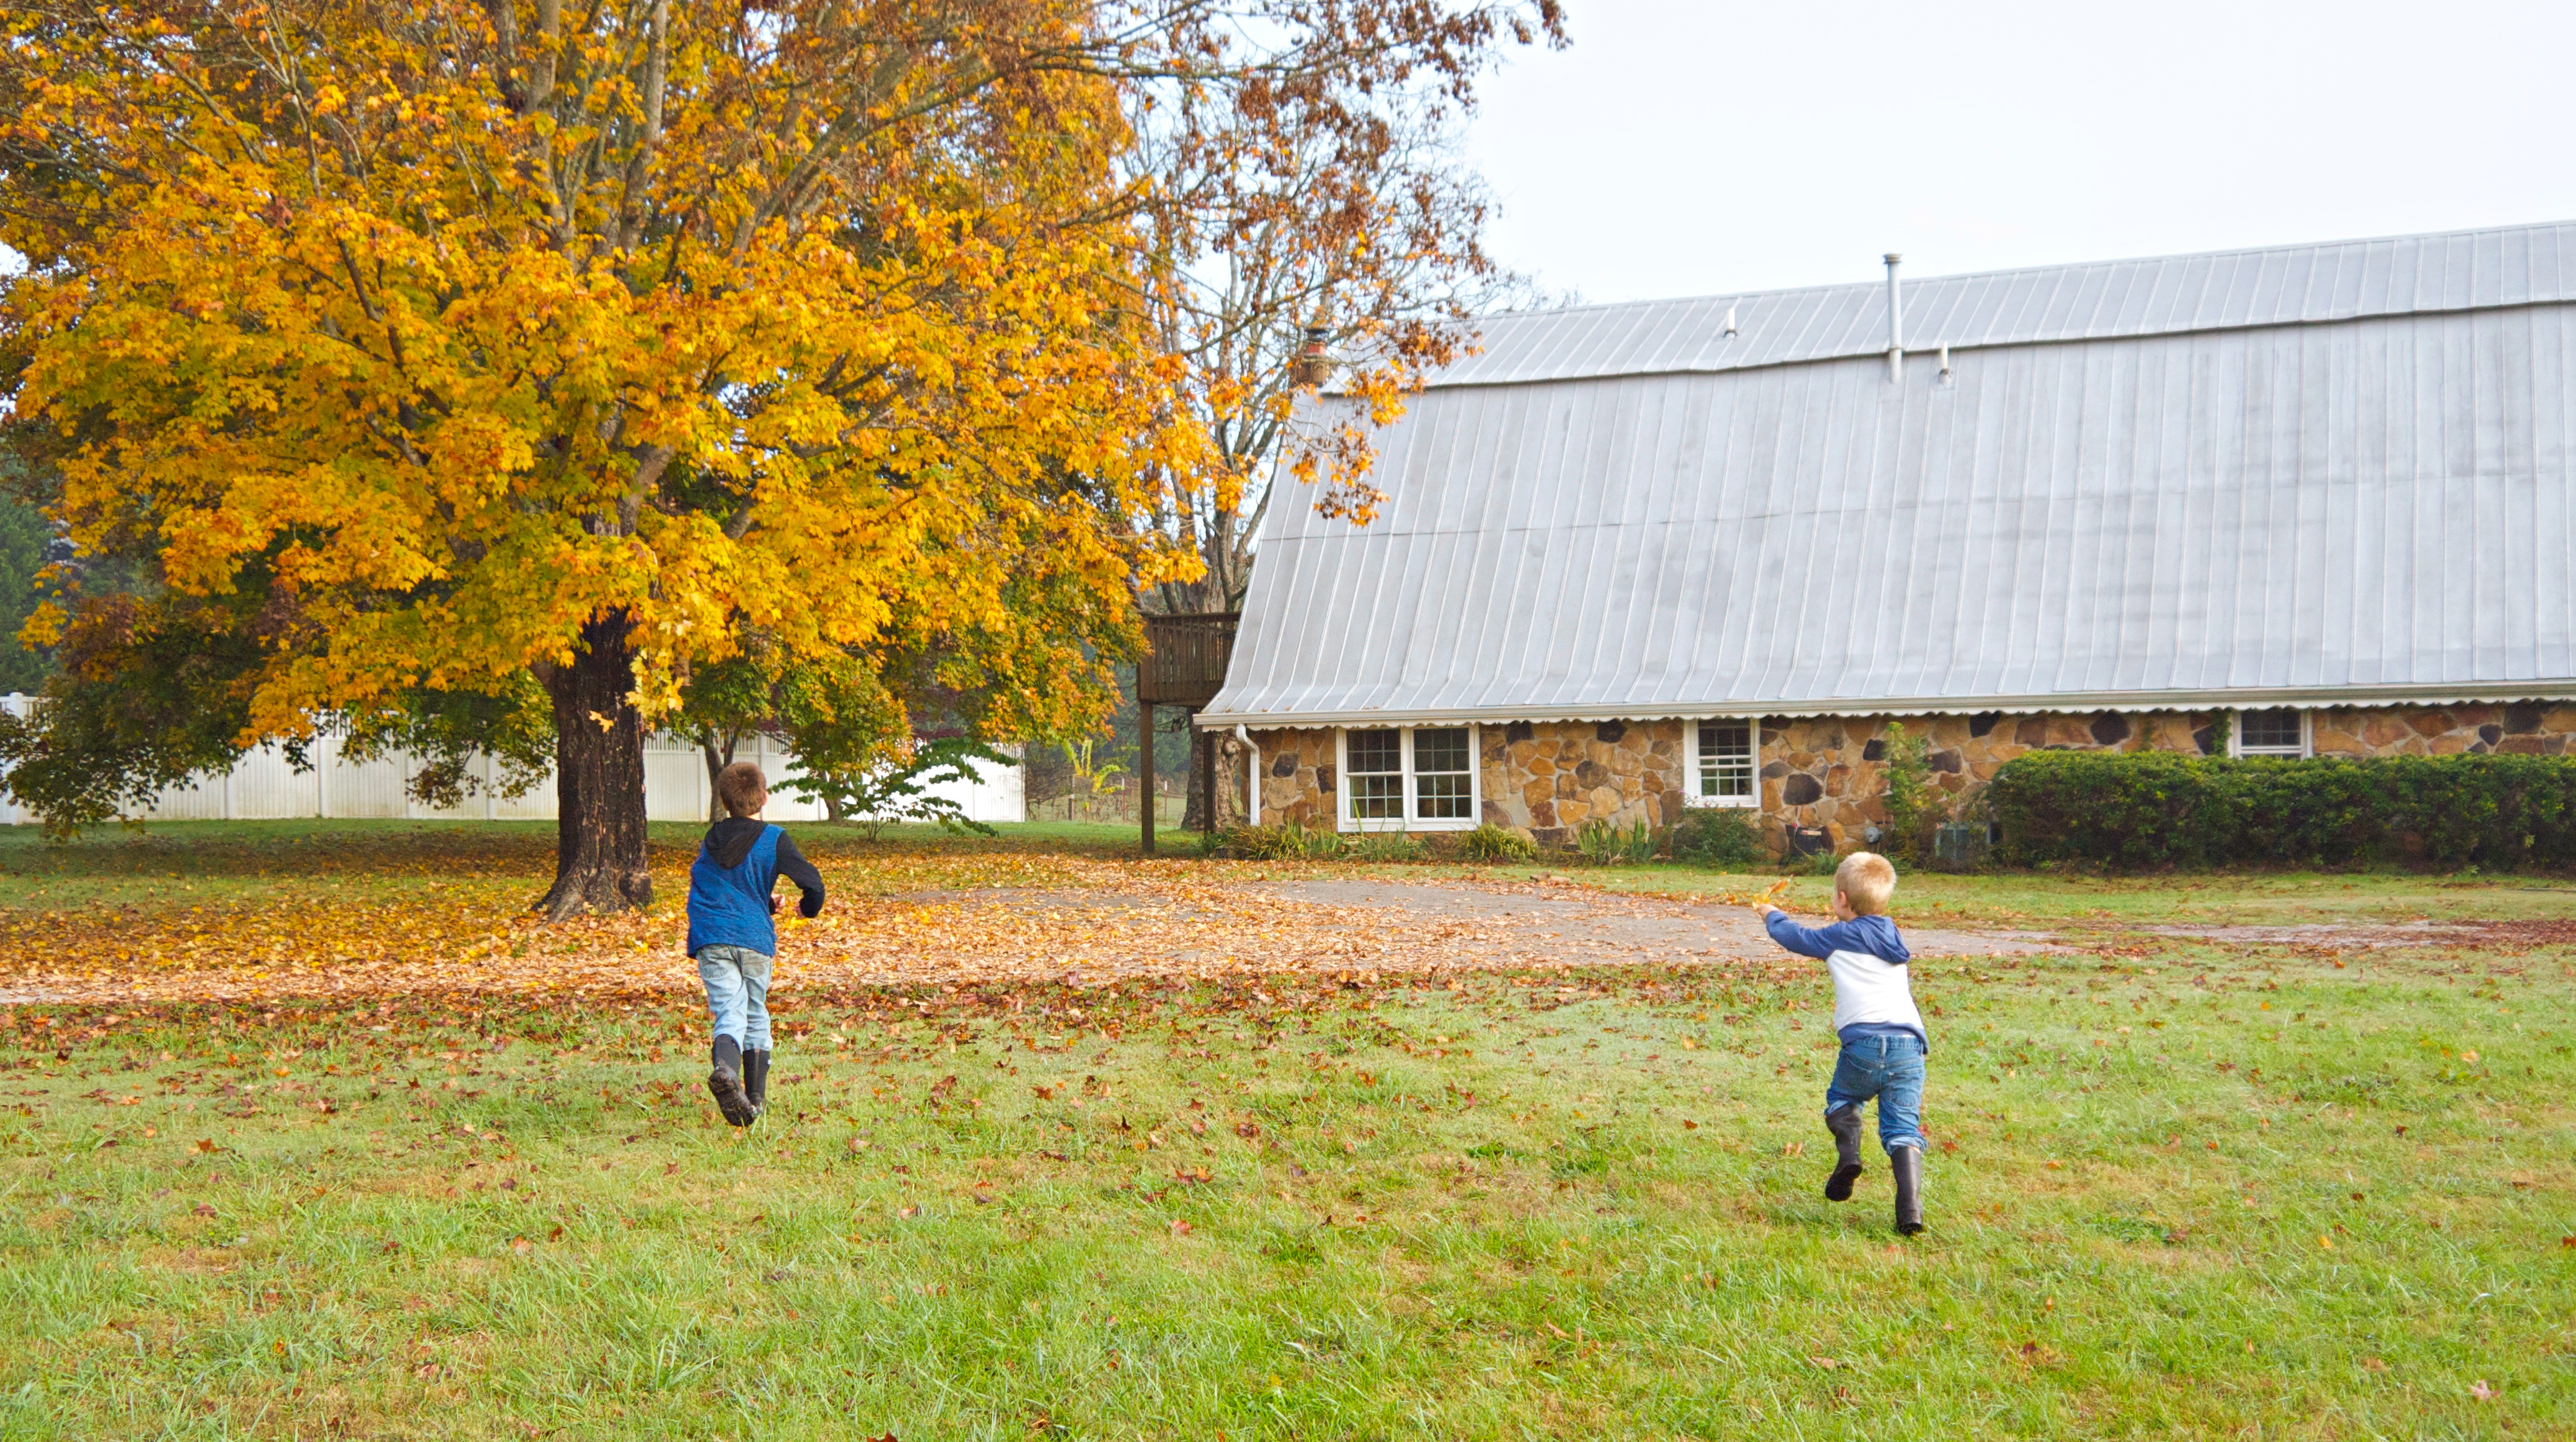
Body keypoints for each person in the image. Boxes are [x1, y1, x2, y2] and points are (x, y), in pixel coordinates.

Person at [1755, 851, 1927, 1236]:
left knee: (1843, 1100)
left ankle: (1849, 1155)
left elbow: (1795, 938)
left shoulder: (1840, 935)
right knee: (1903, 1129)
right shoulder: (1892, 935)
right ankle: (1910, 1210)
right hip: (1909, 1046)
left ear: (1843, 899)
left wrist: (1770, 913)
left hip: (1863, 1043)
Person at [686, 761, 826, 1126]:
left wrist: (765, 902)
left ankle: (726, 1072)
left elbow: (719, 888)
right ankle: (755, 1099)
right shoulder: (773, 838)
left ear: (724, 799)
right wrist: (807, 909)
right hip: (752, 938)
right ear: (763, 798)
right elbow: (813, 884)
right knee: (755, 1011)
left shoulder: (711, 840)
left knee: (729, 1010)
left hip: (712, 935)